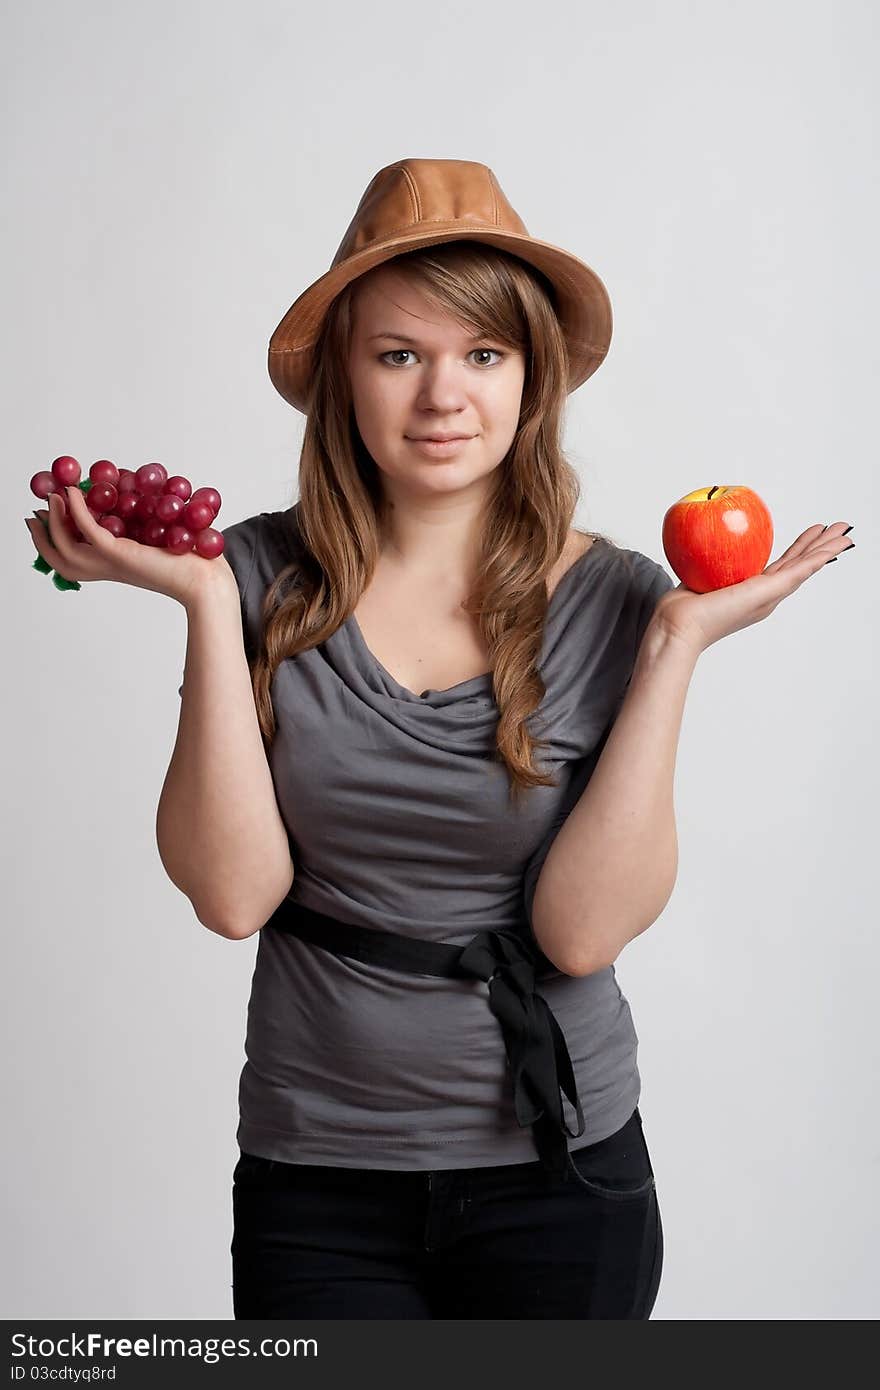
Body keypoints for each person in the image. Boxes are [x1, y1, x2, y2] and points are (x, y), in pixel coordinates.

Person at [26, 158, 854, 1321]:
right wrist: (209, 608)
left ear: (531, 377)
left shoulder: (620, 600)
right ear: (344, 383)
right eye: (398, 354)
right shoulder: (253, 577)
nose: (442, 397)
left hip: (561, 1179)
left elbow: (579, 930)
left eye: (482, 354)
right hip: (315, 1179)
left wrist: (674, 646)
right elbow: (232, 895)